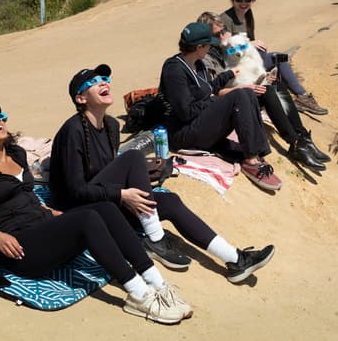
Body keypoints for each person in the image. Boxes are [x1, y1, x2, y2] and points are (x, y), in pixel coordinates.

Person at [0, 102, 192, 324]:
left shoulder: (17, 153)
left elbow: (25, 194)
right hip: (21, 249)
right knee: (86, 218)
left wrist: (47, 210)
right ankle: (139, 295)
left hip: (44, 229)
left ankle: (156, 282)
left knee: (105, 208)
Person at [49, 64, 275, 282]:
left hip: (103, 199)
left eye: (105, 79)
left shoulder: (111, 126)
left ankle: (235, 259)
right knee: (132, 157)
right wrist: (121, 195)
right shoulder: (73, 131)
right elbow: (75, 191)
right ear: (81, 98)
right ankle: (155, 238)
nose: (103, 83)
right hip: (78, 211)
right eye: (93, 82)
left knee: (171, 201)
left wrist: (126, 189)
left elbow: (107, 172)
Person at [196, 13, 331, 172]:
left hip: (243, 91)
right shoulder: (207, 58)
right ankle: (294, 143)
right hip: (231, 101)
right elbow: (214, 93)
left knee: (277, 85)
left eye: (224, 30)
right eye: (217, 34)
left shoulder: (225, 48)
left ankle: (303, 139)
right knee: (267, 91)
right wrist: (246, 88)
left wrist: (260, 77)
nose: (224, 35)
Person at [158, 22, 282, 191]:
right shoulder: (174, 70)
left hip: (198, 122)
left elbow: (209, 89)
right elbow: (185, 112)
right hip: (183, 134)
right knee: (238, 96)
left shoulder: (199, 64)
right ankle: (251, 160)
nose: (210, 48)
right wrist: (215, 101)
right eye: (208, 45)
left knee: (246, 92)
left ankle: (256, 153)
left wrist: (228, 76)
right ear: (199, 47)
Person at [218, 0, 329, 116]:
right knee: (278, 58)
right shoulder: (225, 20)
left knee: (279, 58)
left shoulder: (247, 15)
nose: (243, 3)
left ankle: (301, 97)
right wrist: (249, 44)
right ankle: (301, 98)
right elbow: (225, 52)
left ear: (253, 0)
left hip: (248, 62)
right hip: (236, 68)